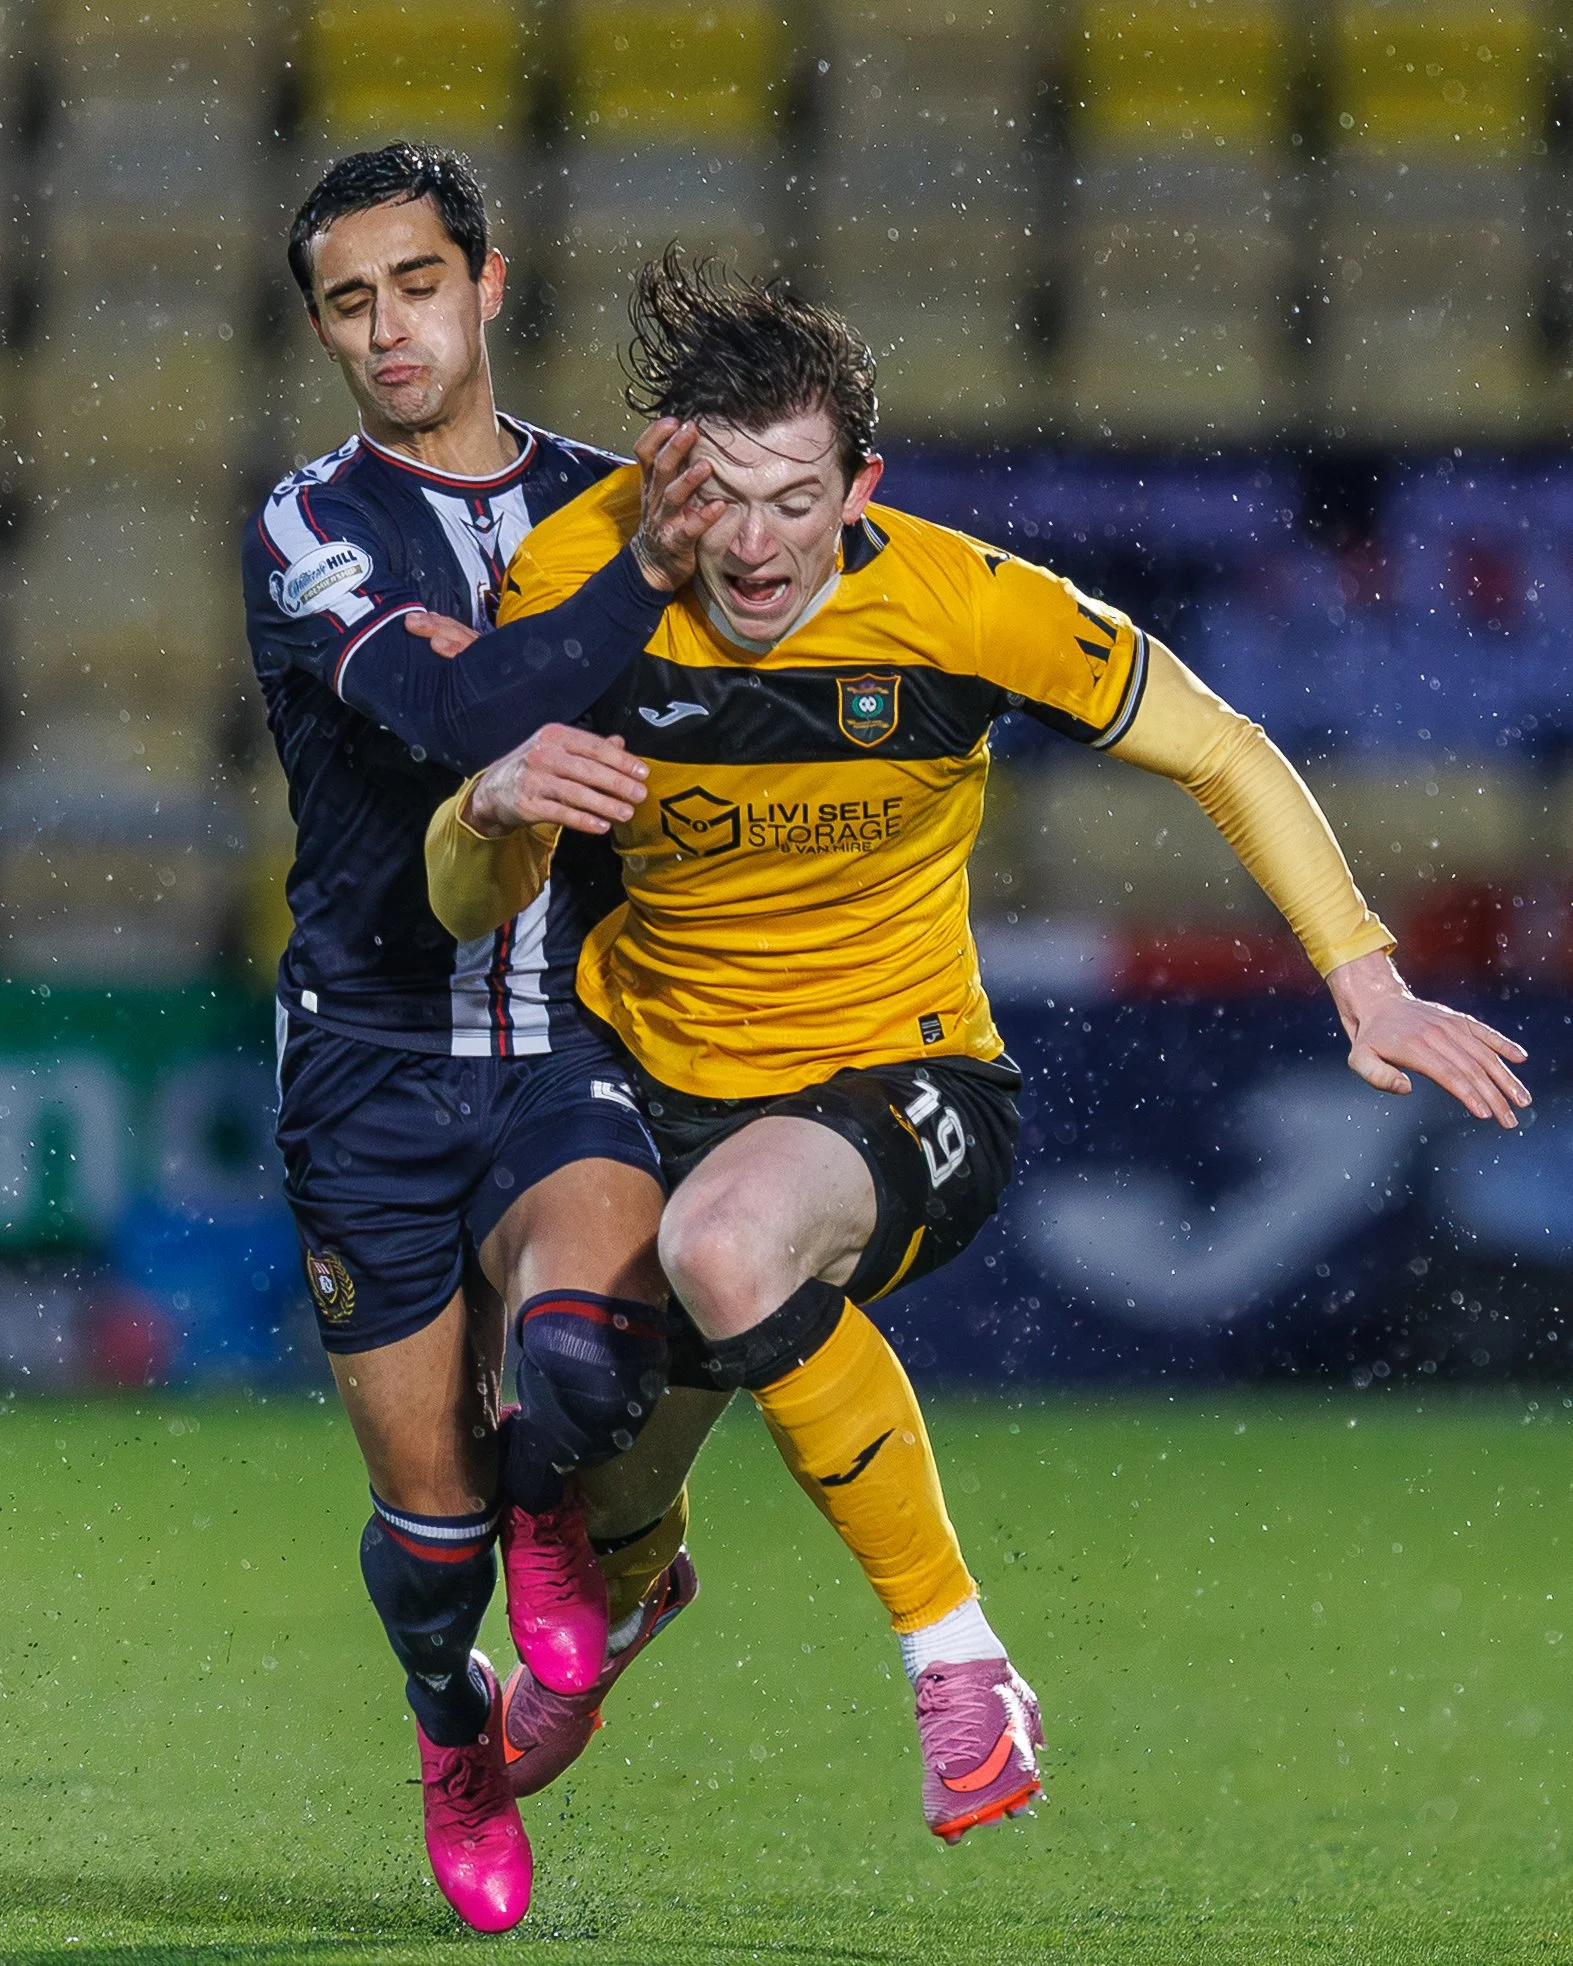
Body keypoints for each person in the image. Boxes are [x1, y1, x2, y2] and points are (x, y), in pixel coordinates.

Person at [424, 250, 1533, 1844]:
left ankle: (960, 1658)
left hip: (908, 1084)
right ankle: (631, 1571)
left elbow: (1221, 744)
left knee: (729, 1240)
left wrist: (1365, 980)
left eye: (797, 499)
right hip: (656, 1092)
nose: (754, 545)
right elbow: (469, 895)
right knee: (584, 1458)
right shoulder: (572, 593)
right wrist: (488, 803)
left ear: (861, 482)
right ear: (668, 474)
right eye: (720, 497)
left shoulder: (962, 605)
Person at [242, 149, 728, 1930]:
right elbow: (455, 706)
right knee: (425, 1545)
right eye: (350, 300)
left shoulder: (612, 504)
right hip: (366, 1053)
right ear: (321, 324)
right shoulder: (308, 524)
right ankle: (453, 1728)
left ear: (490, 283)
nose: (389, 328)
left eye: (417, 284)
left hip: (557, 1037)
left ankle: (579, 1536)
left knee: (593, 1365)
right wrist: (639, 585)